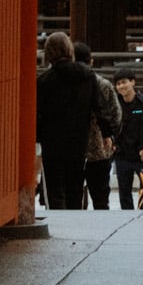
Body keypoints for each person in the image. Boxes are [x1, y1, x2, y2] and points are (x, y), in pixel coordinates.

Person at [35, 31, 120, 212]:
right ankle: (74, 218)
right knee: (75, 183)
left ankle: (59, 218)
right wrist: (107, 133)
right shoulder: (87, 75)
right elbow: (98, 107)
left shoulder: (44, 80)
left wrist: (36, 137)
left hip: (52, 140)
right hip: (78, 138)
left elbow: (38, 113)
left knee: (55, 186)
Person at [73, 43, 122, 211]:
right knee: (101, 198)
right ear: (91, 61)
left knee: (73, 197)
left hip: (74, 147)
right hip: (100, 147)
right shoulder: (103, 84)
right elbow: (116, 115)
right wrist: (112, 136)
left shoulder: (68, 84)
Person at [114, 71, 143, 210]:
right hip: (122, 155)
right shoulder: (116, 103)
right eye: (118, 84)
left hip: (142, 156)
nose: (121, 86)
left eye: (124, 82)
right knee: (124, 192)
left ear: (132, 82)